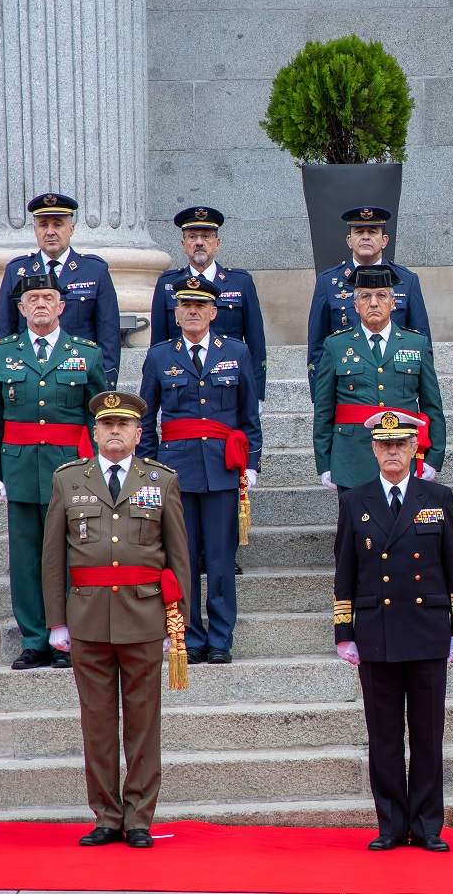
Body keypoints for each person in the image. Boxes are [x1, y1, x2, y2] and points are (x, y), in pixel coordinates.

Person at [43, 391, 191, 850]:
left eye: (123, 425)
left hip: (145, 614)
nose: (113, 432)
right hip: (87, 617)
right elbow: (52, 556)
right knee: (99, 724)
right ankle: (106, 816)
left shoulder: (160, 480)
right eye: (106, 425)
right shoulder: (69, 479)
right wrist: (56, 621)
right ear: (94, 432)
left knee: (144, 722)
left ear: (138, 434)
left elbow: (179, 555)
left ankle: (139, 816)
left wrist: (177, 621)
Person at [333, 410, 453, 852]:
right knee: (385, 736)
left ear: (415, 448)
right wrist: (344, 631)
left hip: (427, 629)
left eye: (401, 445)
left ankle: (428, 824)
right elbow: (345, 571)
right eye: (384, 445)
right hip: (377, 632)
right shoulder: (356, 500)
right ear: (373, 449)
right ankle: (390, 823)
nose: (392, 452)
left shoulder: (438, 496)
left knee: (428, 735)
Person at [0, 272, 105, 671]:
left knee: (71, 554)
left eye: (47, 298)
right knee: (26, 557)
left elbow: (97, 418)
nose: (40, 304)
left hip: (69, 471)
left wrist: (98, 469)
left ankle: (65, 636)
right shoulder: (0, 354)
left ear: (61, 306)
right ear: (20, 308)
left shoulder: (87, 354)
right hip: (19, 470)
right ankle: (34, 640)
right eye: (32, 298)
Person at [138, 275, 262, 665]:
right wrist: (149, 470)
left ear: (213, 312)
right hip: (176, 472)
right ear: (176, 313)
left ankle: (221, 637)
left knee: (222, 561)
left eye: (200, 306)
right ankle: (191, 636)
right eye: (185, 305)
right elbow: (145, 418)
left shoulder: (236, 352)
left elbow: (248, 416)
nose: (192, 311)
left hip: (223, 471)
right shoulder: (160, 356)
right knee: (183, 557)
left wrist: (252, 463)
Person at [313, 264, 446, 492]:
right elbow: (324, 410)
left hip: (404, 455)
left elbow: (432, 405)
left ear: (393, 303)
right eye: (365, 297)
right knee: (356, 526)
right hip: (352, 459)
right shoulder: (335, 346)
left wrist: (433, 457)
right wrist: (325, 463)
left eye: (382, 296)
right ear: (355, 305)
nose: (373, 303)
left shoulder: (416, 344)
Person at [0, 192, 122, 388]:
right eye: (43, 225)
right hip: (28, 377)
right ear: (35, 230)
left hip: (78, 377)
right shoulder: (17, 271)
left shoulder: (95, 271)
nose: (50, 232)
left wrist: (105, 386)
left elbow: (109, 335)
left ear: (71, 229)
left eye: (58, 224)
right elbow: (5, 332)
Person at [151, 206, 268, 404]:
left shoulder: (241, 282)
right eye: (192, 237)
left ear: (217, 243)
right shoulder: (167, 284)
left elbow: (256, 345)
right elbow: (158, 345)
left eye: (206, 236)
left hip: (229, 384)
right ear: (183, 244)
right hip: (181, 387)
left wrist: (256, 396)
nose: (199, 242)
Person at [307, 206, 430, 388]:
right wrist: (321, 397)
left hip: (396, 385)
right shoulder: (327, 282)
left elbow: (421, 340)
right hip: (347, 386)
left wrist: (420, 390)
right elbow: (317, 345)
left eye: (373, 232)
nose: (365, 237)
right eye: (359, 232)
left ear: (384, 240)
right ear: (349, 240)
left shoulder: (407, 280)